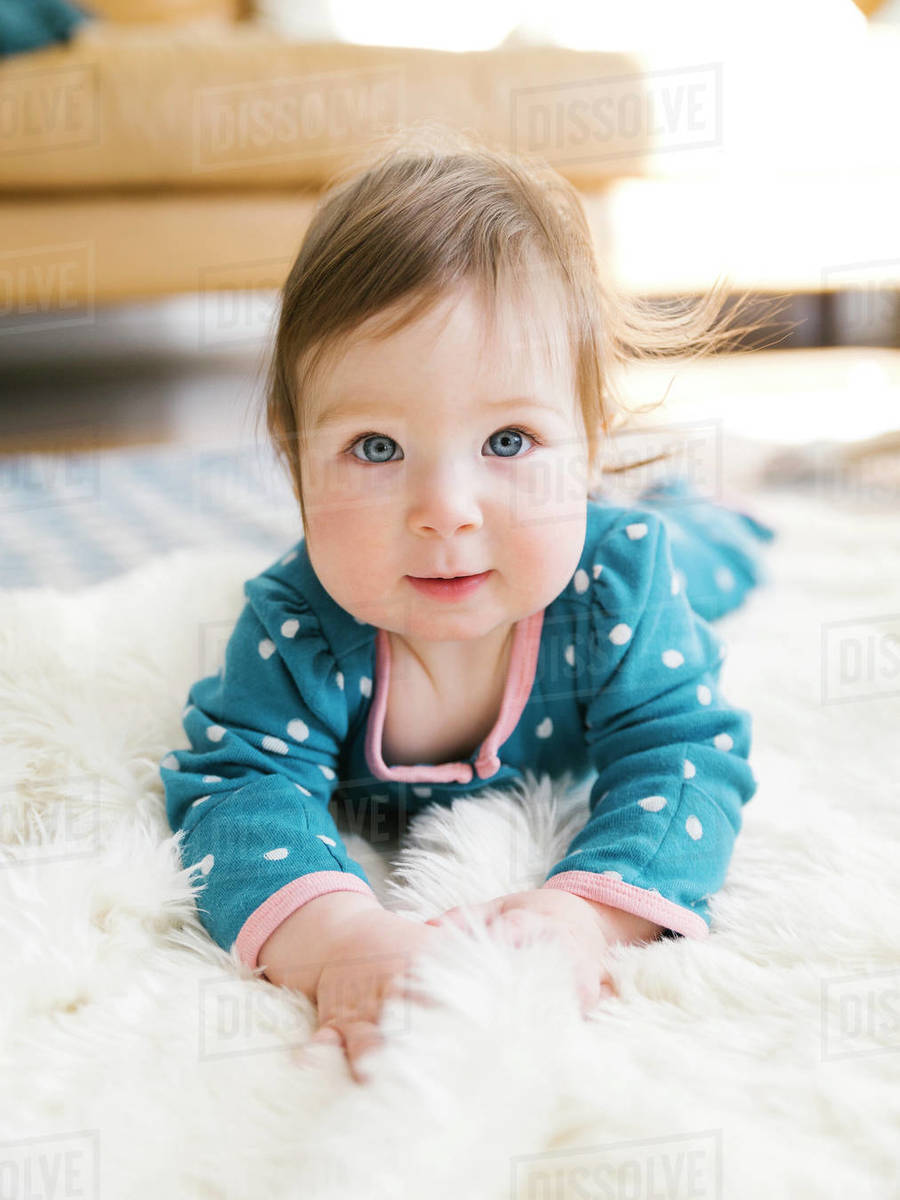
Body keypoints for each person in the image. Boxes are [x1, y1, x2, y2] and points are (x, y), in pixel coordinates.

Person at [159, 124, 776, 1084]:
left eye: (510, 441)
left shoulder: (617, 582)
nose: (445, 513)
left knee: (711, 560)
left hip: (638, 543)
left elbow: (685, 753)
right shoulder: (299, 623)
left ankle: (708, 507)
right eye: (375, 448)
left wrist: (588, 911)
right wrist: (336, 937)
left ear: (590, 438)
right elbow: (238, 788)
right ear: (294, 457)